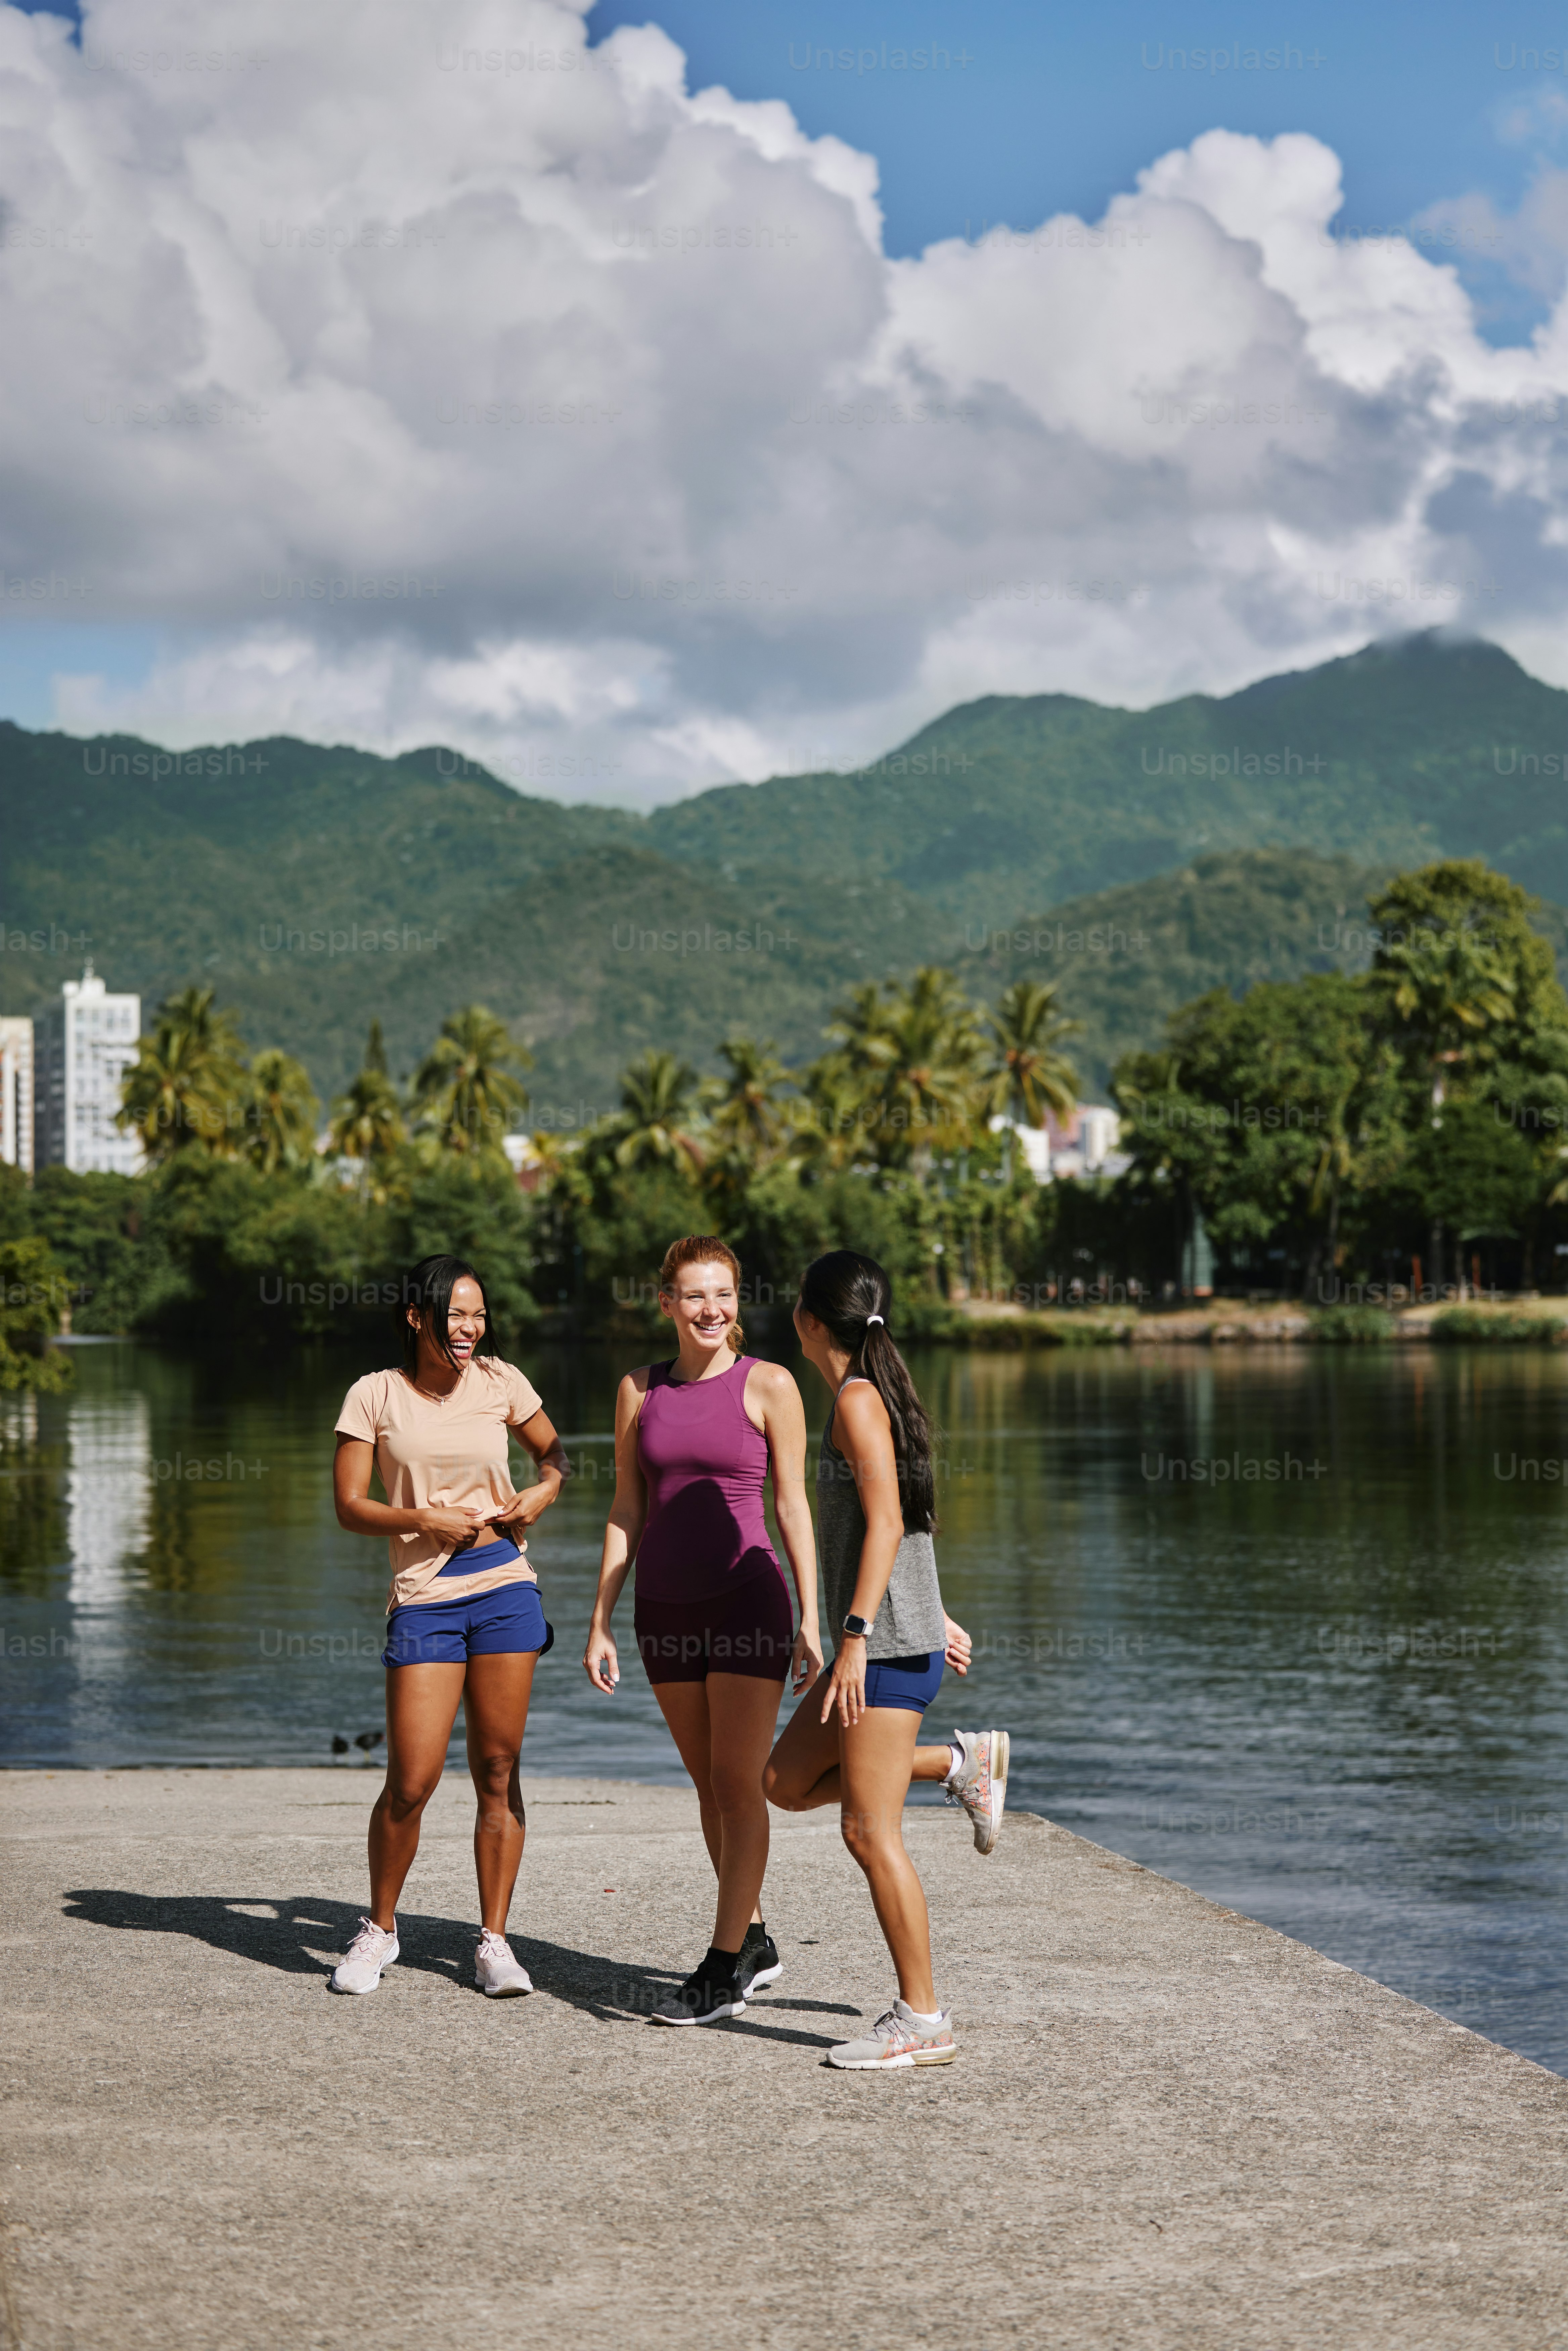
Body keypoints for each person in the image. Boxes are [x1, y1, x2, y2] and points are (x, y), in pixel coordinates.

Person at [763, 1249, 1009, 2070]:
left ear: (808, 1319)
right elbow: (910, 1513)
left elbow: (888, 1521)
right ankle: (957, 1761)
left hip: (886, 1650)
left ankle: (923, 2017)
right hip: (896, 1634)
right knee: (784, 1782)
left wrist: (860, 1636)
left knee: (869, 1831)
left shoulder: (857, 1402)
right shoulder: (868, 1395)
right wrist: (931, 1605)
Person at [584, 1236, 821, 2025]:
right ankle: (752, 1937)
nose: (711, 1308)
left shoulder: (771, 1384)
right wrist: (601, 1619)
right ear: (666, 1303)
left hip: (749, 1600)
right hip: (665, 1611)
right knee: (706, 1785)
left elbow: (793, 1504)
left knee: (735, 1782)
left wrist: (815, 1618)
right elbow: (626, 1507)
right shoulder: (637, 1389)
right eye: (693, 1295)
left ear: (738, 1301)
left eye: (723, 1293)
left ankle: (723, 1966)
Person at [328, 1254, 570, 1998]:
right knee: (413, 1777)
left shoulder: (503, 1381)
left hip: (504, 1589)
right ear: (415, 1315)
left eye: (479, 1314)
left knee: (498, 1770)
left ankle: (494, 1941)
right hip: (426, 1595)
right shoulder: (374, 1395)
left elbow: (555, 1455)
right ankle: (380, 1928)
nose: (469, 1328)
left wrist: (543, 1492)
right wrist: (420, 1518)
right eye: (455, 1313)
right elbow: (349, 1505)